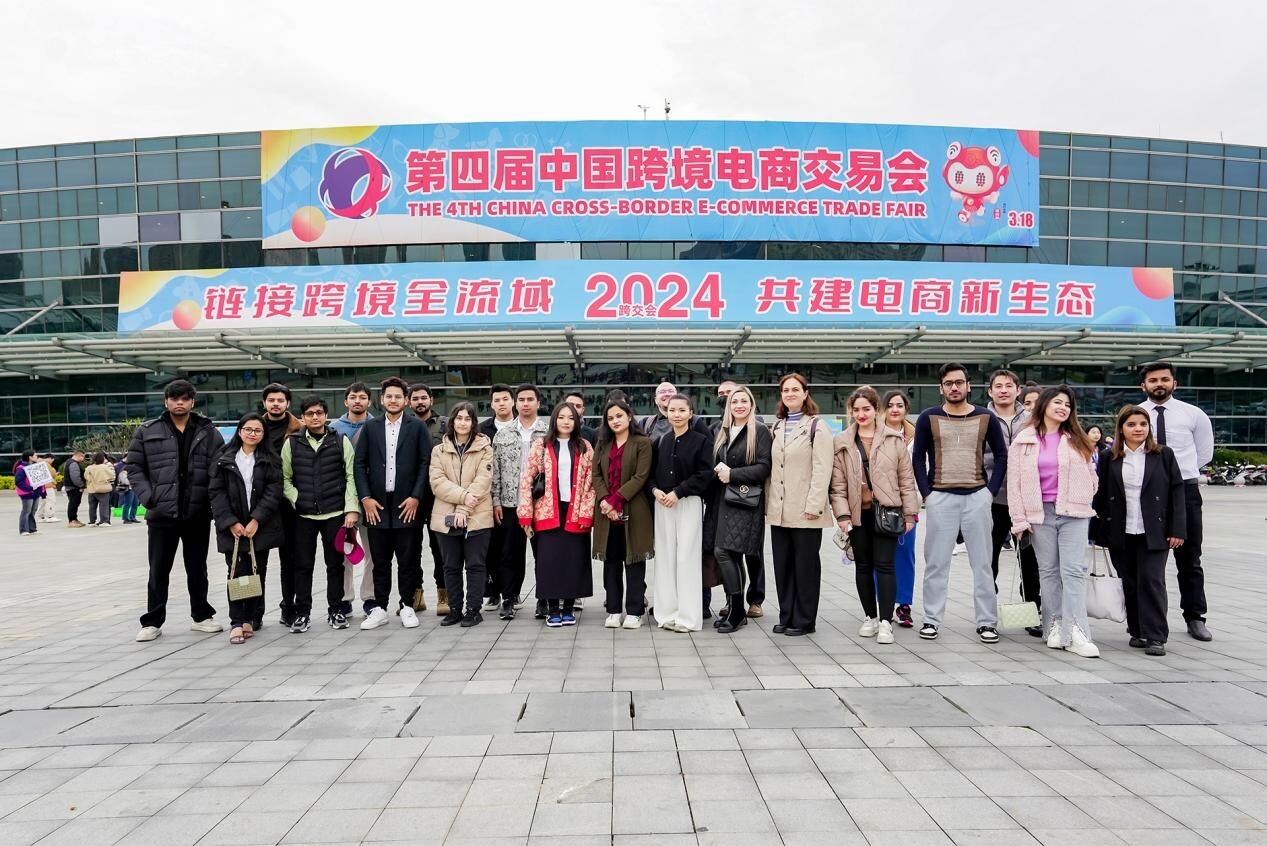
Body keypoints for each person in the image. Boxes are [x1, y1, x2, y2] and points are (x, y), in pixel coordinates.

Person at [912, 363, 1007, 643]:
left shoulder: (986, 417)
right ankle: (931, 619)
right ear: (941, 388)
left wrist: (990, 492)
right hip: (940, 497)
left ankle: (987, 622)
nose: (954, 387)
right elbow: (917, 457)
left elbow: (1002, 455)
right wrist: (927, 494)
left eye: (959, 382)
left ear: (969, 386)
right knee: (936, 563)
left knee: (983, 564)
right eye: (948, 383)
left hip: (977, 497)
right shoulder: (928, 417)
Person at [128, 380, 225, 642]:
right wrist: (149, 497)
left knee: (197, 568)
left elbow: (219, 467)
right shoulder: (148, 431)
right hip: (162, 514)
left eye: (184, 399)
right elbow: (134, 467)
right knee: (158, 570)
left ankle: (201, 616)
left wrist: (210, 500)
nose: (179, 403)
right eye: (174, 398)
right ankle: (152, 621)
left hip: (197, 513)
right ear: (166, 402)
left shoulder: (208, 431)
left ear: (193, 402)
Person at [1007, 386, 1100, 658]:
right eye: (1058, 402)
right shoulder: (1024, 440)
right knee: (1048, 572)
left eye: (1068, 405)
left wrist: (1085, 492)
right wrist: (1019, 519)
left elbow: (1092, 475)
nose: (1063, 408)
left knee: (1073, 571)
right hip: (1040, 514)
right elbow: (1014, 484)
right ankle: (1055, 626)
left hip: (1073, 513)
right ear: (1044, 404)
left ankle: (1078, 631)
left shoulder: (1076, 439)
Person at [1093, 405, 1187, 657]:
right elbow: (1100, 493)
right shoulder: (1108, 456)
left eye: (1143, 424)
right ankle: (1137, 631)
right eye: (1132, 424)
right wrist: (1095, 529)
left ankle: (1156, 635)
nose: (1138, 429)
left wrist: (1177, 529)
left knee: (1152, 581)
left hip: (1154, 530)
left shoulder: (1163, 454)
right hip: (1120, 530)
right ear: (1121, 428)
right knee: (1130, 582)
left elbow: (1177, 491)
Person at [830, 387, 918, 645]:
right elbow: (837, 484)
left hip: (887, 511)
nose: (861, 414)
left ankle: (885, 622)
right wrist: (842, 515)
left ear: (876, 410)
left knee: (885, 565)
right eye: (856, 410)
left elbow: (906, 479)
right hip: (858, 514)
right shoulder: (842, 442)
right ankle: (870, 616)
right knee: (863, 566)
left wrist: (910, 513)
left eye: (866, 409)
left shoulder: (893, 439)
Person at [1139, 361, 1215, 642]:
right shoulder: (1136, 415)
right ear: (1143, 386)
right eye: (1153, 380)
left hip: (1185, 491)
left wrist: (1175, 476)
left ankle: (1195, 617)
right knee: (1148, 560)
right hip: (1148, 493)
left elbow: (1204, 453)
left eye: (1164, 379)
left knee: (1190, 557)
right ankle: (1147, 621)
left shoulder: (1194, 414)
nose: (1159, 384)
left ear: (1174, 383)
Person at [356, 377, 432, 631]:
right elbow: (359, 464)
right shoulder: (370, 427)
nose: (393, 400)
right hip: (377, 505)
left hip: (407, 504)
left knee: (408, 559)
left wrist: (416, 496)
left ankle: (407, 605)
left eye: (398, 396)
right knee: (380, 561)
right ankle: (379, 608)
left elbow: (425, 463)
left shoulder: (417, 427)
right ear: (381, 399)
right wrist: (365, 498)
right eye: (389, 396)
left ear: (406, 400)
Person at [281, 396, 361, 634]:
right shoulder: (292, 443)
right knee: (302, 566)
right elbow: (284, 478)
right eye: (309, 413)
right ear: (302, 417)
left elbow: (351, 476)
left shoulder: (340, 440)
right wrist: (297, 499)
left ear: (326, 415)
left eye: (319, 413)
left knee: (335, 565)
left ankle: (336, 610)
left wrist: (351, 509)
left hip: (335, 514)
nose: (314, 417)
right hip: (303, 516)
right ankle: (302, 613)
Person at [767, 373, 834, 637]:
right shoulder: (777, 426)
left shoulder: (817, 426)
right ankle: (786, 615)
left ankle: (805, 619)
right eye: (786, 390)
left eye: (795, 389)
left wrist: (815, 505)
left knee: (805, 568)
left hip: (806, 510)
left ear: (806, 393)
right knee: (783, 567)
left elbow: (822, 469)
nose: (790, 394)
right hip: (779, 510)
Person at [209, 413, 283, 645]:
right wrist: (230, 522)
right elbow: (216, 492)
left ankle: (250, 618)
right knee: (235, 572)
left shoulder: (270, 459)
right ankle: (236, 622)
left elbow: (274, 492)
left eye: (257, 430)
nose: (252, 433)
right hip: (232, 527)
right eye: (248, 429)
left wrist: (256, 519)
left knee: (256, 572)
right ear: (240, 431)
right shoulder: (224, 458)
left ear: (263, 434)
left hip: (259, 526)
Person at [518, 402, 595, 627]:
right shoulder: (541, 445)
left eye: (570, 418)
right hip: (547, 511)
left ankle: (568, 607)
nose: (566, 422)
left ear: (576, 421)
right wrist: (525, 515)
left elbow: (591, 483)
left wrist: (586, 513)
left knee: (574, 560)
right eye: (561, 417)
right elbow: (527, 479)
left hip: (575, 510)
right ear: (554, 420)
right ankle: (552, 609)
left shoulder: (584, 446)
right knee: (549, 561)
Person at [705, 385, 773, 634]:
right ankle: (736, 609)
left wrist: (732, 474)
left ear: (751, 404)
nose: (739, 405)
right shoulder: (721, 431)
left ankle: (737, 611)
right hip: (722, 500)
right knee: (729, 554)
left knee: (723, 551)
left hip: (745, 501)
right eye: (734, 402)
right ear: (728, 406)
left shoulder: (759, 431)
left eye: (744, 401)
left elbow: (764, 466)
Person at [984, 369, 1042, 635]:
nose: (1004, 390)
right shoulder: (981, 418)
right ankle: (987, 616)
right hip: (992, 500)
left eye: (1009, 385)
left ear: (1018, 390)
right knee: (989, 560)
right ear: (990, 391)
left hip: (1026, 501)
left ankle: (1032, 613)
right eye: (998, 386)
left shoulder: (1033, 420)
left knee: (1030, 562)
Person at [650, 394, 713, 633]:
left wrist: (679, 492)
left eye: (681, 410)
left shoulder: (701, 441)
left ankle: (688, 617)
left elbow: (705, 474)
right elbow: (651, 474)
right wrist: (655, 491)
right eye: (672, 410)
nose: (676, 414)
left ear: (690, 413)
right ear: (666, 413)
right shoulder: (661, 441)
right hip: (663, 504)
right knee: (665, 558)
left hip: (688, 502)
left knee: (687, 558)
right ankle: (667, 613)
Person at [430, 401, 495, 627]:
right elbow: (437, 482)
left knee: (475, 565)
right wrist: (463, 498)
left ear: (474, 422)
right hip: (445, 517)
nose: (463, 423)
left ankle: (473, 610)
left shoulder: (485, 448)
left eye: (468, 419)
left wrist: (464, 508)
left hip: (477, 515)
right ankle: (455, 609)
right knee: (451, 566)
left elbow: (483, 481)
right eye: (459, 418)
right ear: (452, 421)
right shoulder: (439, 450)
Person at [592, 397, 654, 630]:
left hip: (634, 509)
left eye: (619, 416)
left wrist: (615, 500)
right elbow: (596, 475)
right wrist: (605, 501)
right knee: (611, 562)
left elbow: (641, 476)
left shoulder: (642, 443)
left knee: (634, 560)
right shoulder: (602, 443)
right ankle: (613, 610)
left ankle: (635, 611)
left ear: (629, 416)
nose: (615, 421)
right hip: (606, 513)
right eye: (610, 418)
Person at [490, 383, 548, 620]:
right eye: (521, 399)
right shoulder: (503, 434)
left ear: (538, 403)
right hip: (510, 504)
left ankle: (544, 599)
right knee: (509, 554)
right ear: (516, 403)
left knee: (543, 553)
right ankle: (508, 598)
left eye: (530, 399)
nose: (525, 404)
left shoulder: (548, 432)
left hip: (540, 505)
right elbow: (495, 471)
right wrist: (496, 501)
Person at [330, 382, 378, 617]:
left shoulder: (378, 426)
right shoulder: (333, 428)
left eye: (362, 397)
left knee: (373, 552)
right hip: (342, 500)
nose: (357, 401)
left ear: (369, 401)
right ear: (345, 401)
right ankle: (344, 599)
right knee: (343, 551)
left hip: (370, 499)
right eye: (353, 397)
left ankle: (370, 597)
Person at [261, 383, 302, 627]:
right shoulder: (253, 428)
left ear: (288, 403)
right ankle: (254, 612)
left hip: (289, 505)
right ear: (264, 403)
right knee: (257, 562)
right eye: (271, 400)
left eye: (280, 400)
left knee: (290, 561)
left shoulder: (299, 429)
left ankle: (289, 608)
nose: (276, 404)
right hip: (261, 505)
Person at [410, 382, 449, 615]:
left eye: (423, 398)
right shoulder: (404, 425)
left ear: (431, 400)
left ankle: (444, 595)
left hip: (438, 498)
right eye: (415, 398)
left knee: (440, 549)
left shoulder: (445, 425)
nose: (420, 402)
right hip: (412, 498)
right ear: (409, 402)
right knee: (411, 549)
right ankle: (416, 596)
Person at [881, 391, 918, 628]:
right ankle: (881, 602)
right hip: (879, 505)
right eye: (890, 405)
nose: (895, 409)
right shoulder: (874, 434)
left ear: (906, 409)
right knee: (879, 557)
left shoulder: (916, 436)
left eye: (900, 405)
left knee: (905, 556)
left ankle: (903, 604)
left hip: (907, 505)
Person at [479, 383, 516, 611]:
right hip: (487, 497)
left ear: (512, 401)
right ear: (491, 404)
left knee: (513, 547)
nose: (501, 403)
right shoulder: (483, 429)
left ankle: (513, 592)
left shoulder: (520, 427)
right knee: (491, 547)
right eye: (497, 400)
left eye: (505, 399)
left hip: (514, 498)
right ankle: (493, 592)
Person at [641, 381, 711, 442]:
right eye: (662, 392)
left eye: (671, 391)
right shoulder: (646, 423)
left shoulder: (694, 421)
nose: (667, 394)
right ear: (655, 400)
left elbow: (709, 445)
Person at [84, 451, 116, 526]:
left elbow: (85, 476)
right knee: (104, 505)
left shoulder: (89, 467)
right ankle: (104, 521)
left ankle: (92, 521)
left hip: (91, 489)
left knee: (92, 506)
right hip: (103, 488)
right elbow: (112, 476)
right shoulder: (105, 467)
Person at [14, 450, 41, 535]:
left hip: (35, 493)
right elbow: (18, 482)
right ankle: (23, 530)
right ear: (30, 457)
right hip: (26, 493)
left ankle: (32, 529)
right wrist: (30, 488)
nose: (37, 457)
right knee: (26, 511)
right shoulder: (21, 468)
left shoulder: (34, 466)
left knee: (33, 511)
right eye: (35, 455)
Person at [62, 449, 87, 527]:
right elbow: (75, 477)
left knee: (75, 503)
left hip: (72, 487)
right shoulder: (73, 464)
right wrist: (81, 485)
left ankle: (74, 519)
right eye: (83, 456)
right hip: (74, 487)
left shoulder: (69, 462)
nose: (83, 459)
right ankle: (72, 520)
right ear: (79, 455)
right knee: (73, 504)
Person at [115, 455, 140, 524]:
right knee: (128, 503)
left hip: (135, 488)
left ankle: (132, 517)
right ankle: (125, 518)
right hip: (129, 488)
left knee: (135, 503)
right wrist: (133, 481)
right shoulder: (123, 471)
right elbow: (124, 481)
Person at [37, 454, 60, 523]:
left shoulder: (39, 463)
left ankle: (41, 516)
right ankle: (50, 516)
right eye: (52, 460)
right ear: (50, 458)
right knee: (50, 500)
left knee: (43, 502)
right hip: (48, 485)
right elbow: (51, 475)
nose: (52, 461)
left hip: (42, 486)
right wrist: (54, 474)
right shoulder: (46, 464)